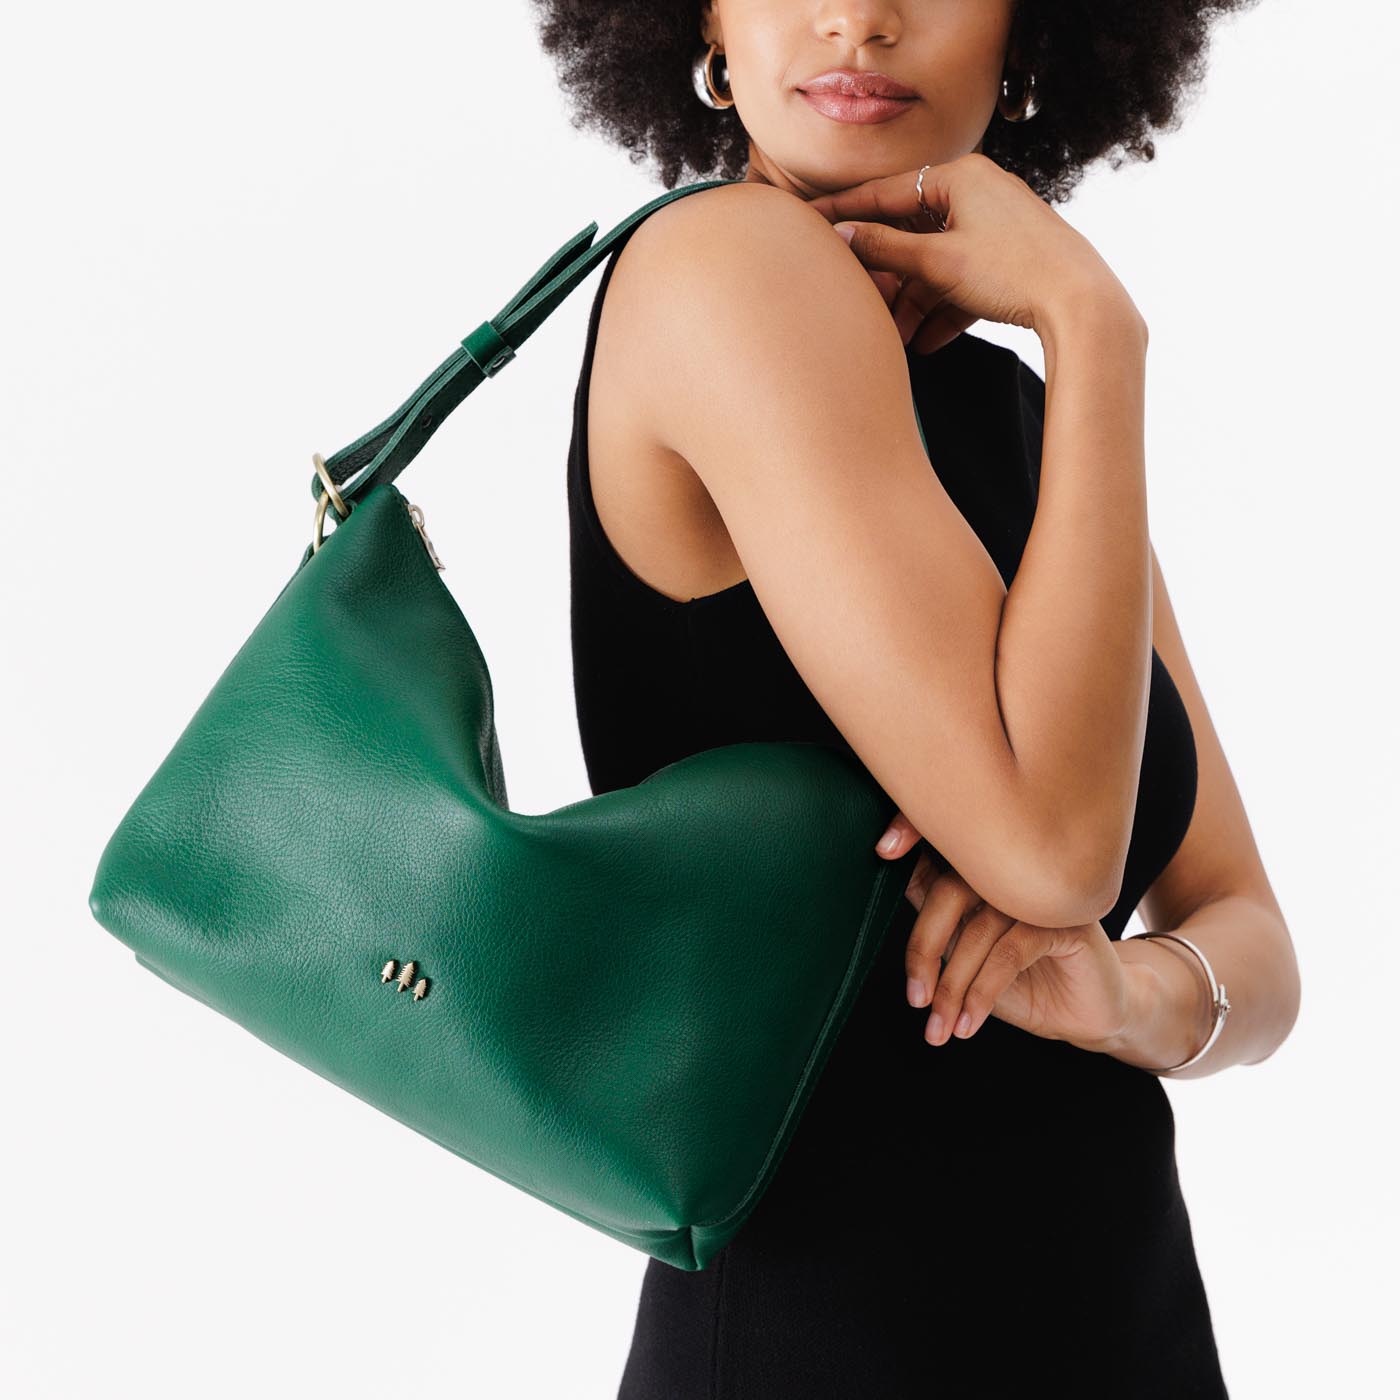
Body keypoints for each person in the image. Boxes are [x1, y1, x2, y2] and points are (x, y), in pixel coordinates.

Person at [537, 1, 1301, 1394]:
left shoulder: (1017, 411)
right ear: (704, 17)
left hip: (1126, 1322)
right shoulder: (722, 268)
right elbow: (1055, 852)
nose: (861, 18)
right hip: (826, 1339)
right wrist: (1096, 323)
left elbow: (1251, 939)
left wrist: (1128, 998)